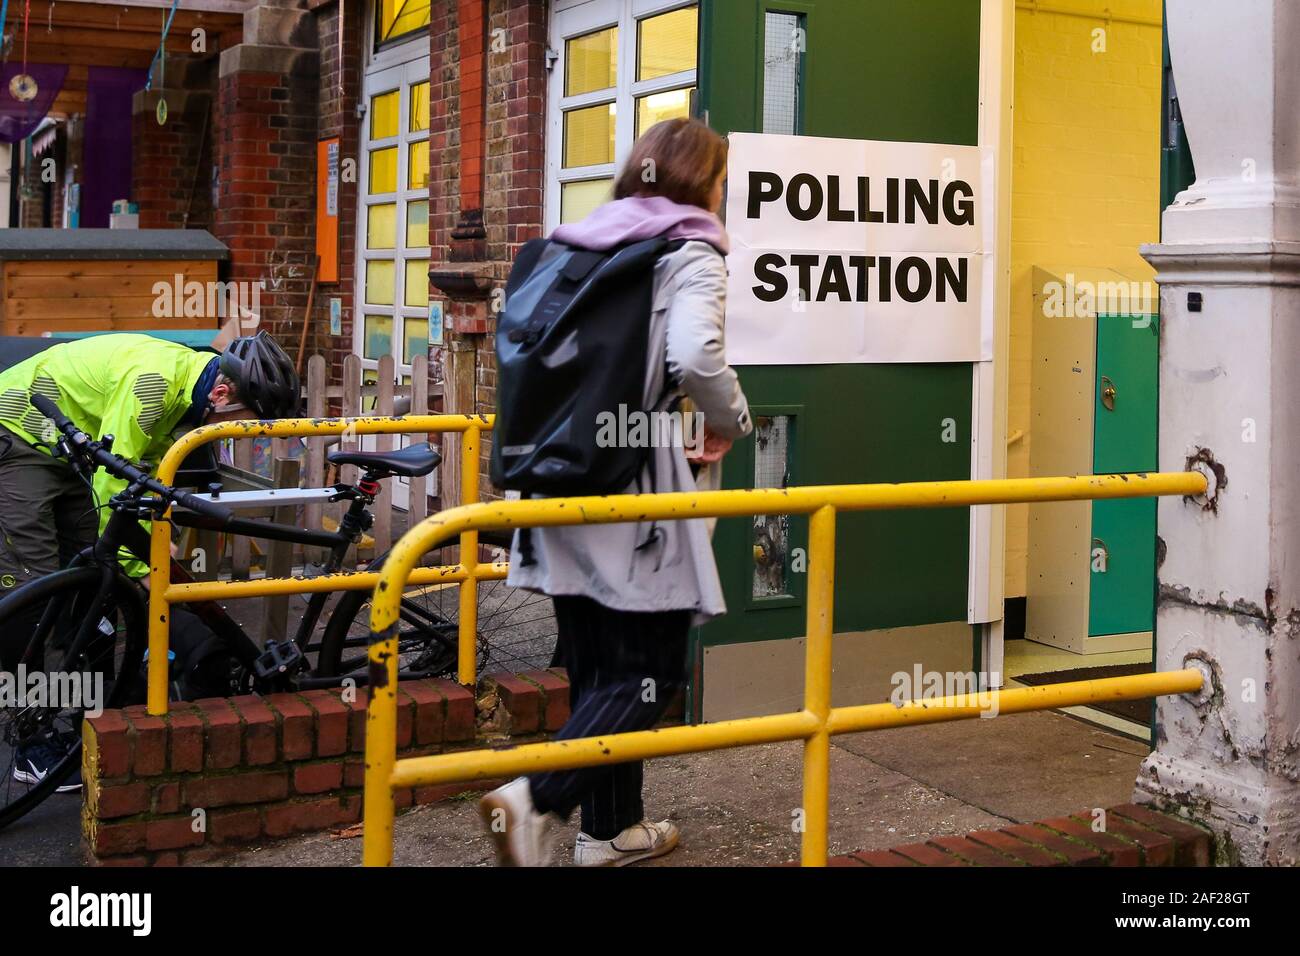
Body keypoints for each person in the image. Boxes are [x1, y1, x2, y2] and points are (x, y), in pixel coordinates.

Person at [480, 118, 752, 867]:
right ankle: (533, 800)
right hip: (636, 486)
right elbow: (697, 355)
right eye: (721, 180)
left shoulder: (572, 243)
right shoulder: (689, 250)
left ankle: (610, 832)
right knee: (653, 673)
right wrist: (732, 419)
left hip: (558, 479)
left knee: (601, 672)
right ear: (703, 182)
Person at [0, 330, 300, 789]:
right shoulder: (154, 385)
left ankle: (88, 713)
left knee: (93, 577)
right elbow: (111, 482)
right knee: (32, 585)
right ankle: (27, 742)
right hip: (20, 431)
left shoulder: (192, 395)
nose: (240, 434)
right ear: (221, 395)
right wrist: (145, 565)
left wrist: (151, 544)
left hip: (69, 445)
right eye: (243, 421)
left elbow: (141, 478)